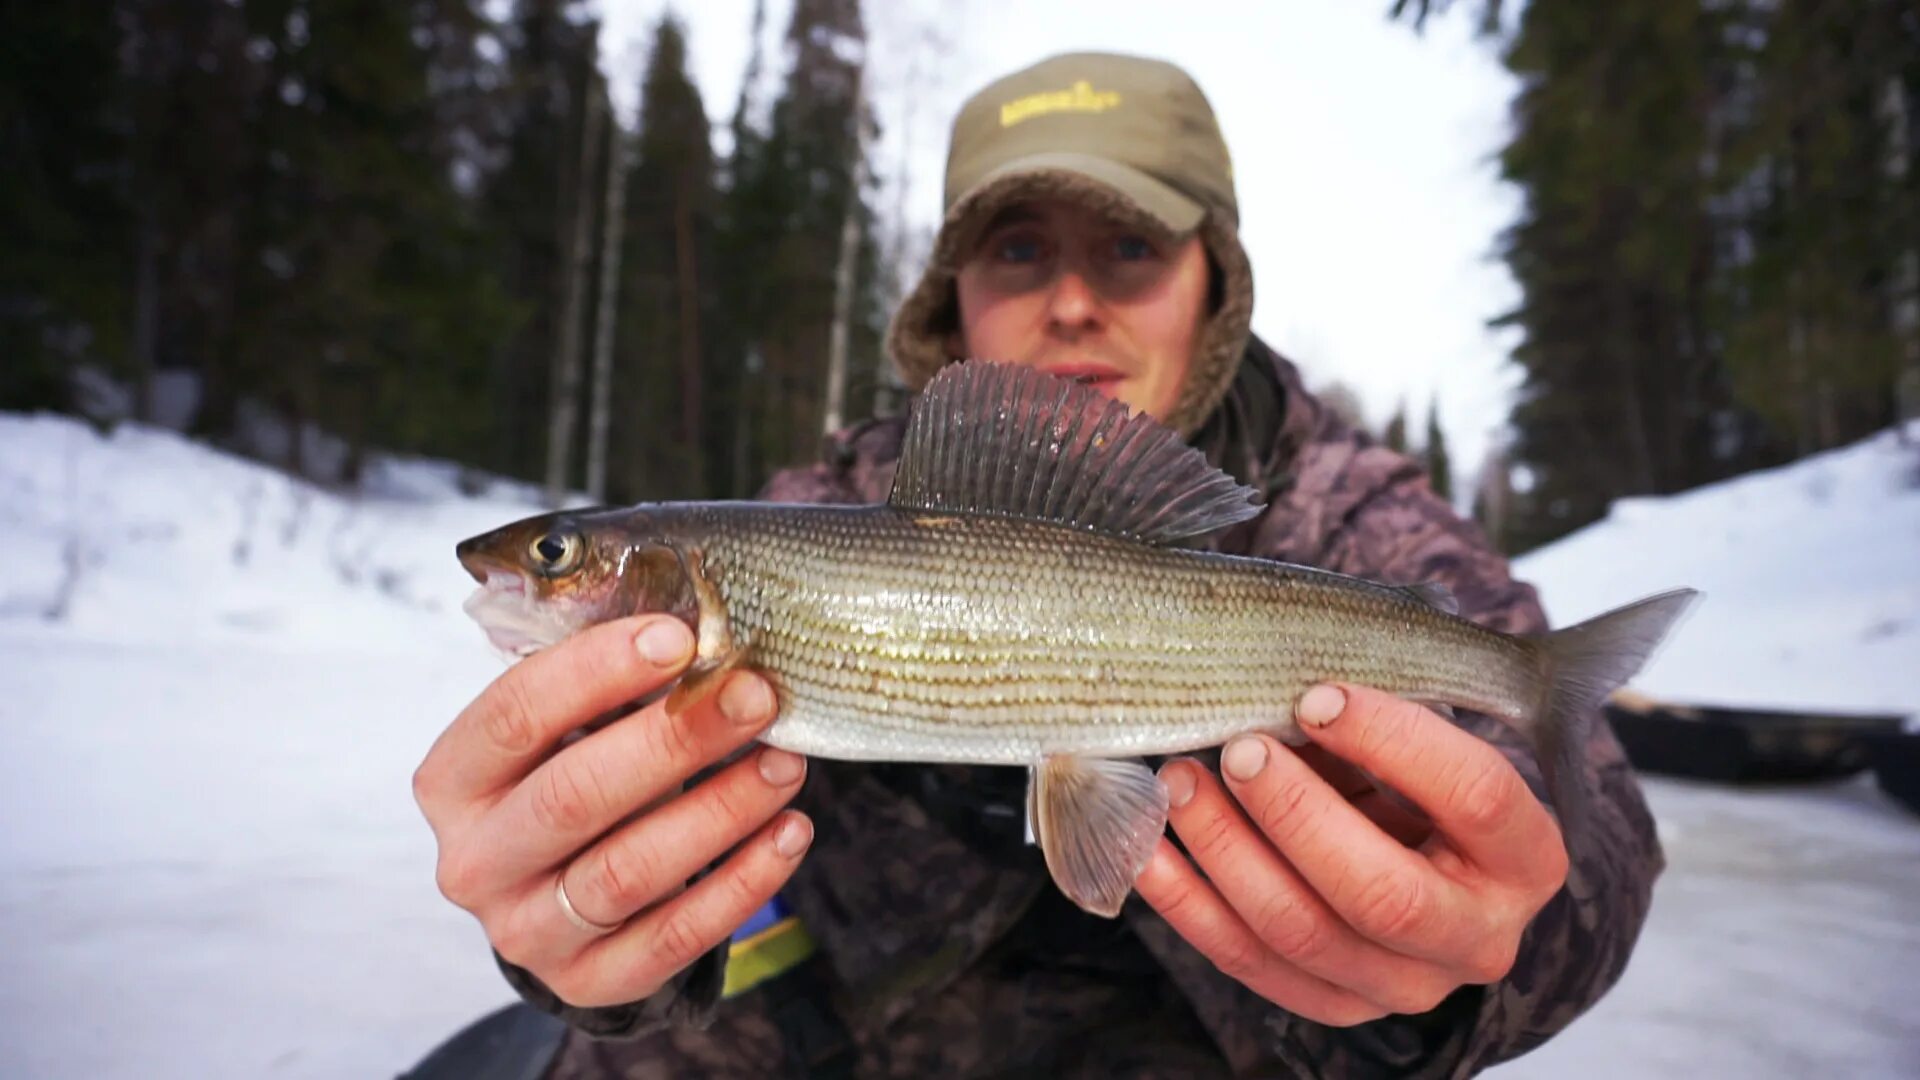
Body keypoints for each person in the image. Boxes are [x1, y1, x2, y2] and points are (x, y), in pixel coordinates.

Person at [411, 51, 1663, 1078]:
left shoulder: (1353, 516)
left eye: (1127, 247)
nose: (1070, 299)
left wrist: (1457, 961)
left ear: (1213, 280)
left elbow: (1597, 834)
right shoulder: (814, 510)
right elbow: (646, 909)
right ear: (950, 296)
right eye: (1018, 249)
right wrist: (589, 915)